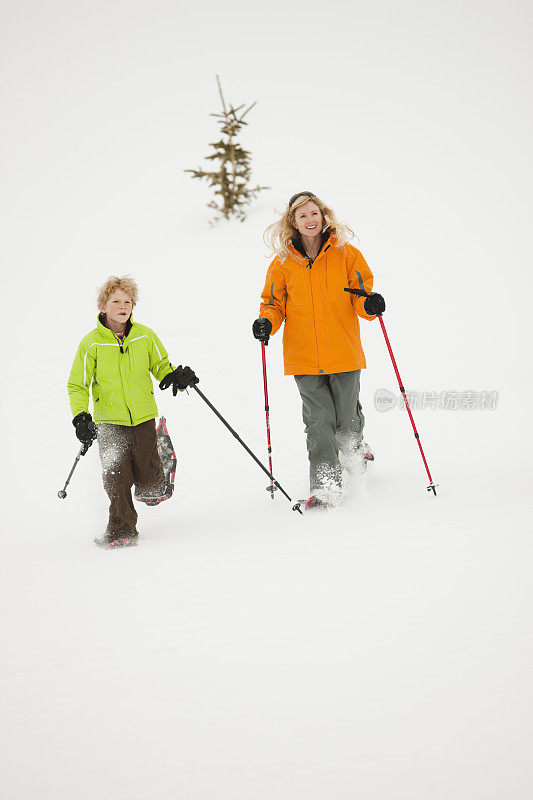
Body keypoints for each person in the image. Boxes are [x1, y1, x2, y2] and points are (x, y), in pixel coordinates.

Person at [253, 192, 385, 509]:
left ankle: (355, 452)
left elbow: (360, 295)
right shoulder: (282, 263)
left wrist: (369, 304)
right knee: (319, 422)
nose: (310, 220)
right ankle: (325, 486)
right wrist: (266, 323)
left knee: (346, 419)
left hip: (344, 351)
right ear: (293, 223)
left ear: (324, 216)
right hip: (304, 357)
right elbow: (273, 304)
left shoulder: (347, 255)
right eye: (303, 216)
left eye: (315, 213)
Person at [67, 275, 198, 548]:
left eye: (127, 301)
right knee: (117, 478)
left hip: (142, 418)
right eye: (116, 301)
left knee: (150, 484)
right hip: (109, 422)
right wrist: (81, 416)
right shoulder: (91, 343)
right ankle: (121, 530)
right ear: (103, 306)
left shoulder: (145, 336)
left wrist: (175, 376)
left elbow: (161, 365)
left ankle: (161, 456)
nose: (123, 306)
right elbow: (77, 384)